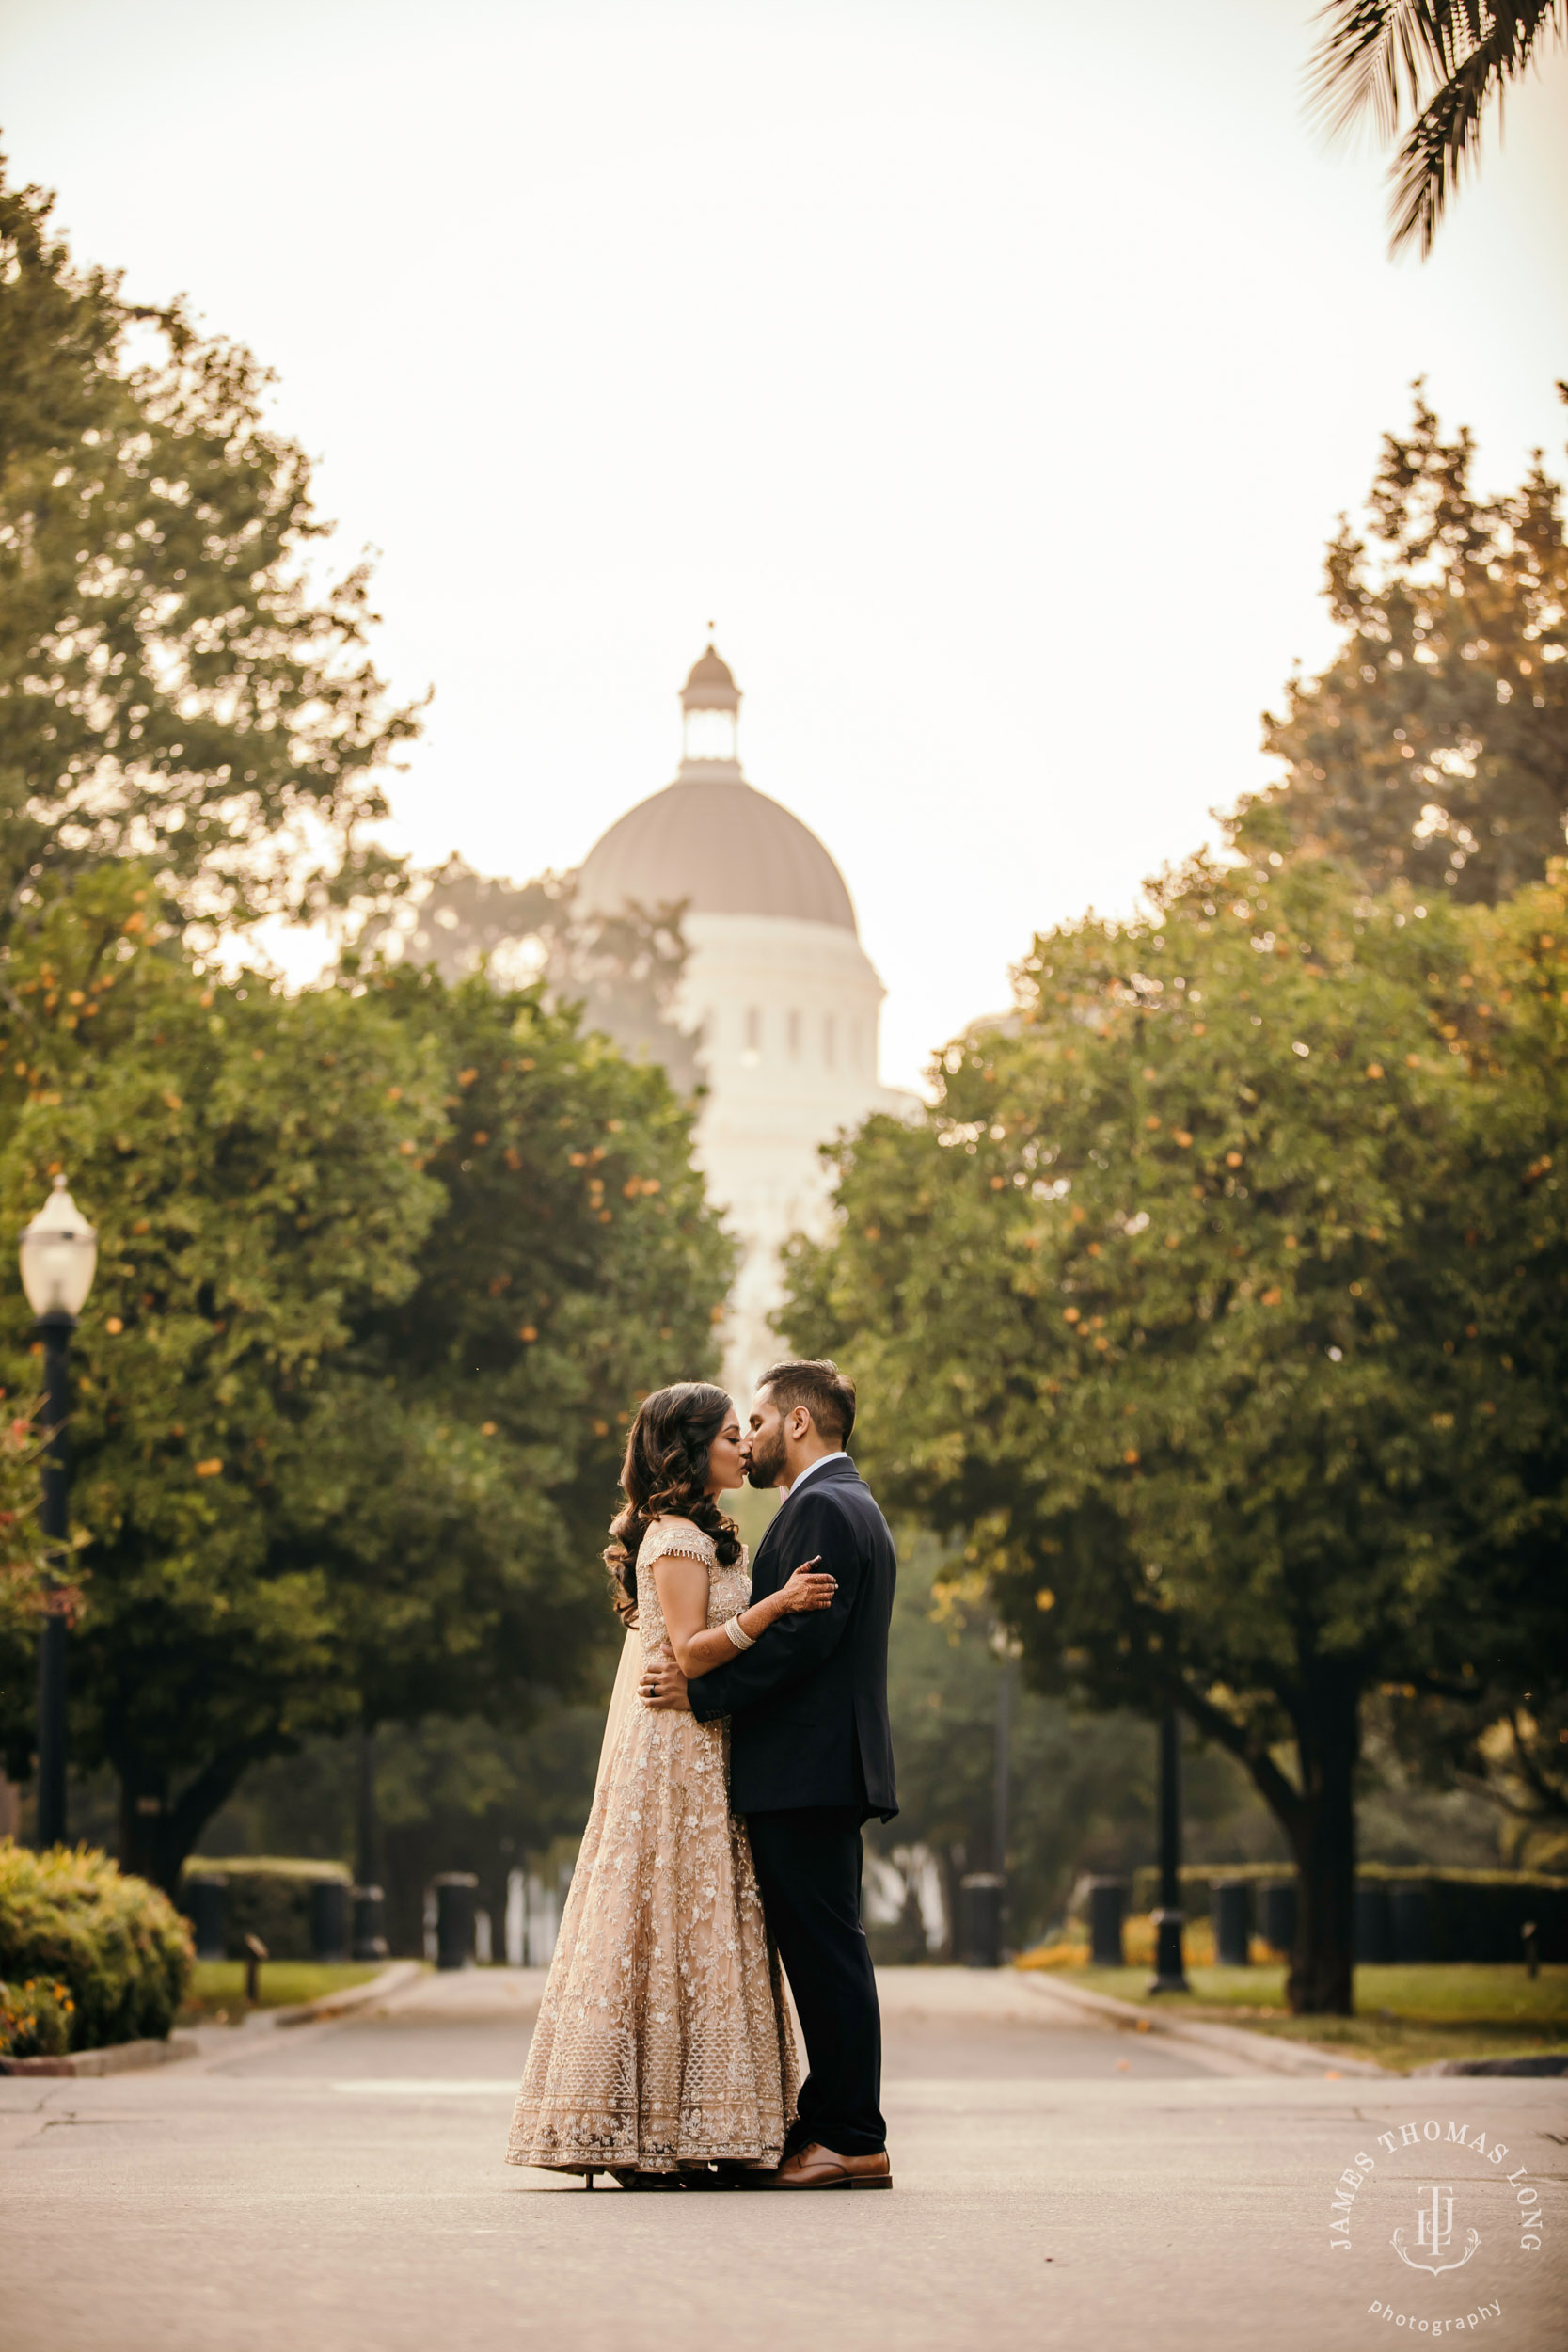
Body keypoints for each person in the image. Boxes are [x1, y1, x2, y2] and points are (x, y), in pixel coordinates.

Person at [506, 1381, 834, 2185]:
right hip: (676, 1755)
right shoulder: (676, 1538)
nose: (743, 1446)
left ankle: (706, 2125)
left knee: (705, 1920)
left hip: (707, 1744)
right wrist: (778, 1607)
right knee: (668, 1918)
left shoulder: (702, 1532)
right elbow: (688, 1652)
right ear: (688, 1451)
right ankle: (645, 2129)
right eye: (729, 1435)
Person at [643, 1357, 898, 2192]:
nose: (745, 1440)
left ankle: (850, 2135)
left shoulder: (823, 1504)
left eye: (754, 1422)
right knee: (826, 1950)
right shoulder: (838, 1501)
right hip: (817, 1766)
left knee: (826, 1954)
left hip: (808, 1768)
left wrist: (700, 1690)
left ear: (797, 1422)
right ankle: (831, 2123)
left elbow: (802, 1642)